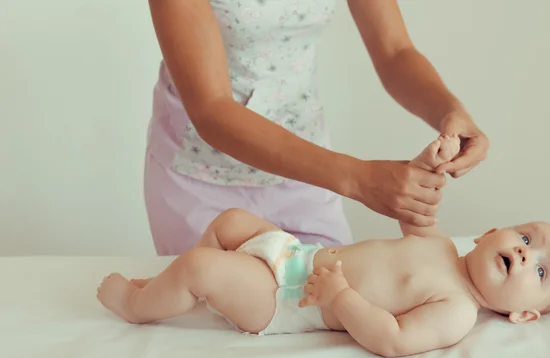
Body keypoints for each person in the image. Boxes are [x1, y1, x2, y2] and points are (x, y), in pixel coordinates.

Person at [96, 135, 550, 358]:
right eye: (524, 237)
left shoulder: (457, 310)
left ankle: (140, 304)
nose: (523, 254)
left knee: (200, 265)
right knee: (229, 223)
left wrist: (340, 298)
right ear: (486, 232)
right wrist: (426, 166)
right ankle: (184, 290)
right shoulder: (442, 249)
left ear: (524, 314)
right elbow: (409, 210)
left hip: (289, 300)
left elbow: (393, 339)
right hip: (294, 254)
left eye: (539, 271)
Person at [144, 0, 490, 255]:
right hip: (201, 176)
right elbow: (212, 108)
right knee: (207, 324)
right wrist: (358, 178)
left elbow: (395, 51)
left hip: (307, 173)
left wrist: (450, 113)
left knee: (325, 309)